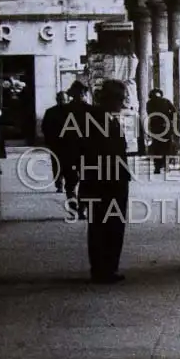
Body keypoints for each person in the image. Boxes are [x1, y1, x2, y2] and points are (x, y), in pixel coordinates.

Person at [78, 79, 132, 283]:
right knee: (106, 226)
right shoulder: (97, 119)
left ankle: (105, 268)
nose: (122, 102)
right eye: (120, 98)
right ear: (110, 98)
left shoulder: (104, 117)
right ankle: (104, 269)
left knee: (106, 225)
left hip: (109, 180)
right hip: (105, 182)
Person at [59, 81, 93, 213]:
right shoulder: (91, 110)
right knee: (83, 179)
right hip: (84, 149)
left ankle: (74, 200)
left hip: (71, 149)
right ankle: (80, 205)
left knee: (72, 178)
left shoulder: (63, 110)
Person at [40, 91, 70, 194]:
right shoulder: (50, 112)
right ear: (57, 100)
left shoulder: (71, 112)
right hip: (56, 143)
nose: (62, 101)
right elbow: (44, 127)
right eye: (60, 99)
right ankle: (59, 185)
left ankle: (68, 185)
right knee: (56, 164)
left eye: (64, 100)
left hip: (68, 143)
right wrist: (49, 139)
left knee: (68, 165)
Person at [145, 88, 177, 174]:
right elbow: (174, 111)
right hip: (166, 126)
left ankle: (157, 167)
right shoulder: (166, 101)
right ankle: (166, 165)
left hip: (155, 127)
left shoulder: (149, 103)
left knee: (156, 146)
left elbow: (149, 114)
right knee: (167, 146)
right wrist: (169, 117)